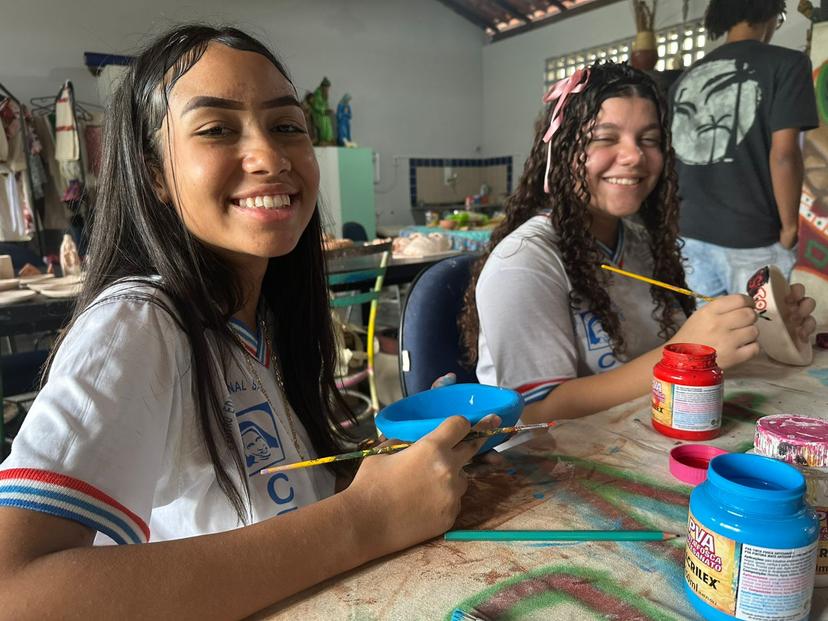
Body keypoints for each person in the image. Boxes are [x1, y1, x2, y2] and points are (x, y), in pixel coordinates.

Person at [0, 25, 498, 618]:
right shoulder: (138, 323)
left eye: (287, 126)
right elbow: (16, 590)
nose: (270, 156)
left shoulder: (259, 317)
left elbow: (274, 503)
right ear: (154, 173)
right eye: (216, 129)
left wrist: (390, 475)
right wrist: (367, 519)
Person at [459, 62, 816, 424]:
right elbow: (535, 411)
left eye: (649, 139)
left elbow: (672, 360)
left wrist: (766, 330)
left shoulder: (643, 245)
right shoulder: (524, 263)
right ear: (563, 151)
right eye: (605, 137)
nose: (634, 156)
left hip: (642, 432)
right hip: (554, 462)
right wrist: (684, 356)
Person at [670, 0, 818, 297]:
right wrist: (790, 228)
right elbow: (785, 155)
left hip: (688, 233)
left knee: (705, 337)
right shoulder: (787, 64)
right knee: (761, 336)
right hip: (752, 237)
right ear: (772, 13)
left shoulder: (685, 77)